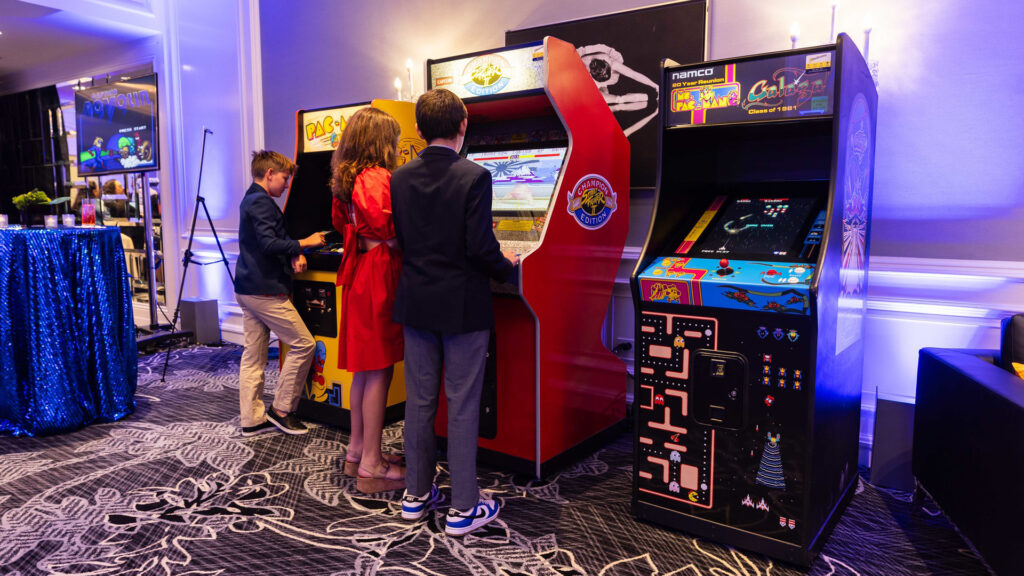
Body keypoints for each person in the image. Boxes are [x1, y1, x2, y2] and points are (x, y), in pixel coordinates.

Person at [390, 88, 520, 536]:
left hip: (417, 302)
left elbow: (406, 241)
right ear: (463, 126)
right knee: (462, 406)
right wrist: (509, 267)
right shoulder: (475, 176)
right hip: (462, 306)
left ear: (420, 130)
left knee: (420, 403)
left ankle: (415, 495)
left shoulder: (400, 177)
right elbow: (481, 249)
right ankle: (464, 508)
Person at [329, 107, 406, 494]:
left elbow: (343, 223)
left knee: (363, 370)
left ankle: (357, 450)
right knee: (378, 370)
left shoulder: (346, 178)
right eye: (392, 139)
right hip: (378, 274)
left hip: (361, 270)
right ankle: (372, 465)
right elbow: (390, 225)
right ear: (380, 142)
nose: (396, 146)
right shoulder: (376, 177)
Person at [234, 150, 326, 437]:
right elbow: (268, 243)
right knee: (303, 344)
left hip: (248, 287)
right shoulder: (260, 202)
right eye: (285, 178)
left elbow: (271, 239)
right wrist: (304, 243)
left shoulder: (251, 198)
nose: (287, 185)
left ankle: (252, 419)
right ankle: (281, 410)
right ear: (270, 173)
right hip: (264, 290)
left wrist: (294, 250)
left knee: (254, 356)